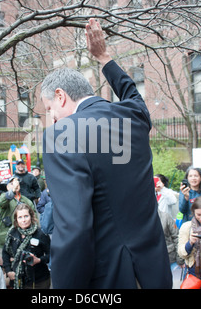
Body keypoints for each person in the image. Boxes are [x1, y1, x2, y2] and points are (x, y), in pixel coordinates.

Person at [41, 18, 172, 288]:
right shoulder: (134, 116)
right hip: (154, 272)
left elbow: (73, 229)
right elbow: (132, 93)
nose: (51, 119)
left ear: (60, 96)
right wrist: (104, 57)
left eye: (48, 109)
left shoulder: (61, 135)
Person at [2, 203, 51, 289]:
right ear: (16, 220)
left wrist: (39, 260)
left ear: (31, 216)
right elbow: (5, 253)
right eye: (20, 217)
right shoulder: (12, 233)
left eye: (26, 216)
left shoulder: (41, 234)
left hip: (39, 280)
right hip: (19, 279)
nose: (23, 220)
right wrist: (8, 270)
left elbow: (52, 255)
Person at [0, 176, 38, 257]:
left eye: (17, 183)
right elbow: (2, 202)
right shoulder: (4, 197)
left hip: (22, 242)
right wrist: (12, 190)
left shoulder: (26, 201)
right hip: (4, 239)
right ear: (7, 187)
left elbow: (35, 218)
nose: (15, 185)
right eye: (12, 183)